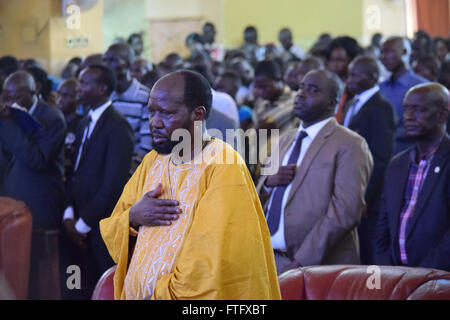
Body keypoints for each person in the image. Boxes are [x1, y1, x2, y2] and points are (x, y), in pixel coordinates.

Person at [99, 70, 281, 300]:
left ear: (197, 114)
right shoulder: (153, 160)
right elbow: (113, 227)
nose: (154, 123)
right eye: (151, 112)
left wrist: (159, 295)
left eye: (166, 113)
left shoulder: (222, 165)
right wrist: (134, 216)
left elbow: (208, 266)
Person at [256, 69, 373, 274]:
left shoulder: (350, 144)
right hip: (270, 258)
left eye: (313, 90)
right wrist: (268, 182)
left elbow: (345, 210)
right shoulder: (285, 139)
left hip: (317, 265)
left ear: (331, 103)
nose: (301, 94)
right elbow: (263, 193)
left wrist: (302, 262)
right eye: (301, 87)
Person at [61, 65, 134, 299]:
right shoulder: (85, 122)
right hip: (77, 222)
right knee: (76, 286)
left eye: (84, 83)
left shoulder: (117, 126)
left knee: (102, 287)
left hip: (99, 227)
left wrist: (81, 225)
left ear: (102, 88)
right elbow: (76, 172)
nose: (78, 88)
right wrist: (69, 215)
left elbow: (112, 186)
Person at [0, 71, 66, 299]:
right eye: (6, 94)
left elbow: (36, 159)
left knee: (39, 273)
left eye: (16, 94)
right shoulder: (6, 115)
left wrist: (8, 125)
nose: (10, 100)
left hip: (40, 204)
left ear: (34, 90)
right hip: (10, 203)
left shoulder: (52, 118)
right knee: (14, 271)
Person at [374, 83, 450, 271]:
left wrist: (421, 276)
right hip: (394, 275)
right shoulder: (397, 164)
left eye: (419, 110)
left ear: (442, 114)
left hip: (437, 278)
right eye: (407, 109)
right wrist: (387, 270)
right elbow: (383, 226)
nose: (408, 117)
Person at [344, 56, 396, 264]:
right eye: (349, 74)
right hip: (350, 187)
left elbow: (381, 157)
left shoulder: (381, 107)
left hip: (368, 197)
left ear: (373, 77)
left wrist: (365, 195)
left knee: (367, 251)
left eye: (355, 74)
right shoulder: (350, 104)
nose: (349, 79)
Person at [103, 43, 152, 165]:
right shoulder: (106, 94)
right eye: (106, 60)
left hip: (132, 164)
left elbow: (146, 143)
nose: (107, 65)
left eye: (113, 60)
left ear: (129, 64)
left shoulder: (143, 96)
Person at [379, 36, 428, 154]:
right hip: (381, 156)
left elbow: (426, 126)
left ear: (404, 51)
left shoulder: (422, 87)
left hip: (410, 155)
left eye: (389, 51)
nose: (383, 57)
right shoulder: (380, 87)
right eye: (382, 52)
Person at [56, 78, 83, 178]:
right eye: (58, 94)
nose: (60, 100)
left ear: (79, 99)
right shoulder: (52, 121)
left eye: (66, 96)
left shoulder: (82, 124)